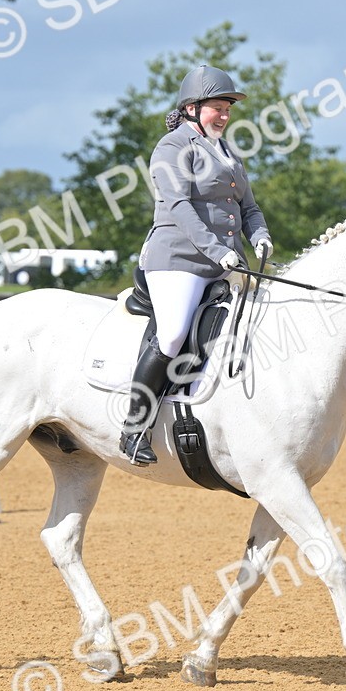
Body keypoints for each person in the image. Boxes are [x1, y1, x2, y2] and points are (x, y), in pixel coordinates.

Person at [120, 65, 273, 465]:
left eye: (227, 108)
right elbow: (179, 207)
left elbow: (249, 208)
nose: (223, 114)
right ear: (191, 108)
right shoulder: (171, 148)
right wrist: (216, 250)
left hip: (223, 261)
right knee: (171, 336)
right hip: (178, 259)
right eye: (216, 108)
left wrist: (259, 235)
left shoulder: (228, 153)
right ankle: (134, 427)